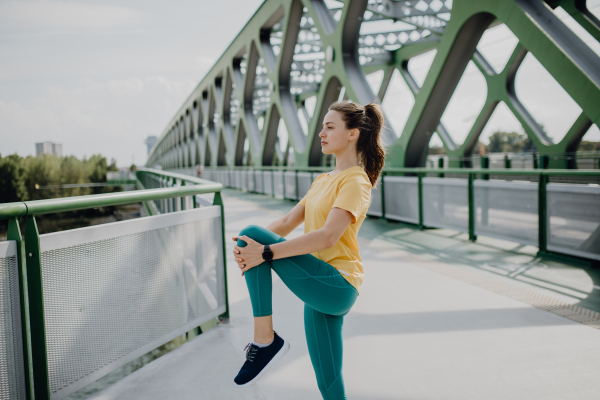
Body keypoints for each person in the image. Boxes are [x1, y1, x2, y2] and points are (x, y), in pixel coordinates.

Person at [232, 100, 386, 399]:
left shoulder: (356, 181)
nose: (321, 133)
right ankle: (267, 341)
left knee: (254, 237)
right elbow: (288, 221)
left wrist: (263, 252)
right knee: (328, 379)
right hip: (319, 283)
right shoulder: (323, 180)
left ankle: (265, 340)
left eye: (330, 127)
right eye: (322, 126)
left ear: (353, 134)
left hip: (337, 282)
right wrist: (244, 245)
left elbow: (328, 237)